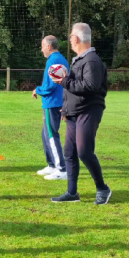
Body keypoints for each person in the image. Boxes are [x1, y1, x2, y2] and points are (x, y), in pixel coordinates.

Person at [49, 23, 111, 205]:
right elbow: (74, 89)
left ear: (76, 38)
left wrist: (64, 81)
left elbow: (90, 87)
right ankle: (72, 192)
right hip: (74, 113)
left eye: (70, 37)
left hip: (88, 111)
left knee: (84, 151)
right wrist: (66, 108)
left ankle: (102, 188)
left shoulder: (91, 60)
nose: (69, 40)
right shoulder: (79, 60)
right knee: (69, 152)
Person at [33, 35, 69, 180]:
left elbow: (52, 85)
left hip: (53, 103)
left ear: (48, 46)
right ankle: (52, 165)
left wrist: (38, 90)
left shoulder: (54, 61)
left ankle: (61, 168)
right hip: (54, 102)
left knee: (51, 134)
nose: (41, 50)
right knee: (46, 133)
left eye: (42, 47)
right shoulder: (58, 59)